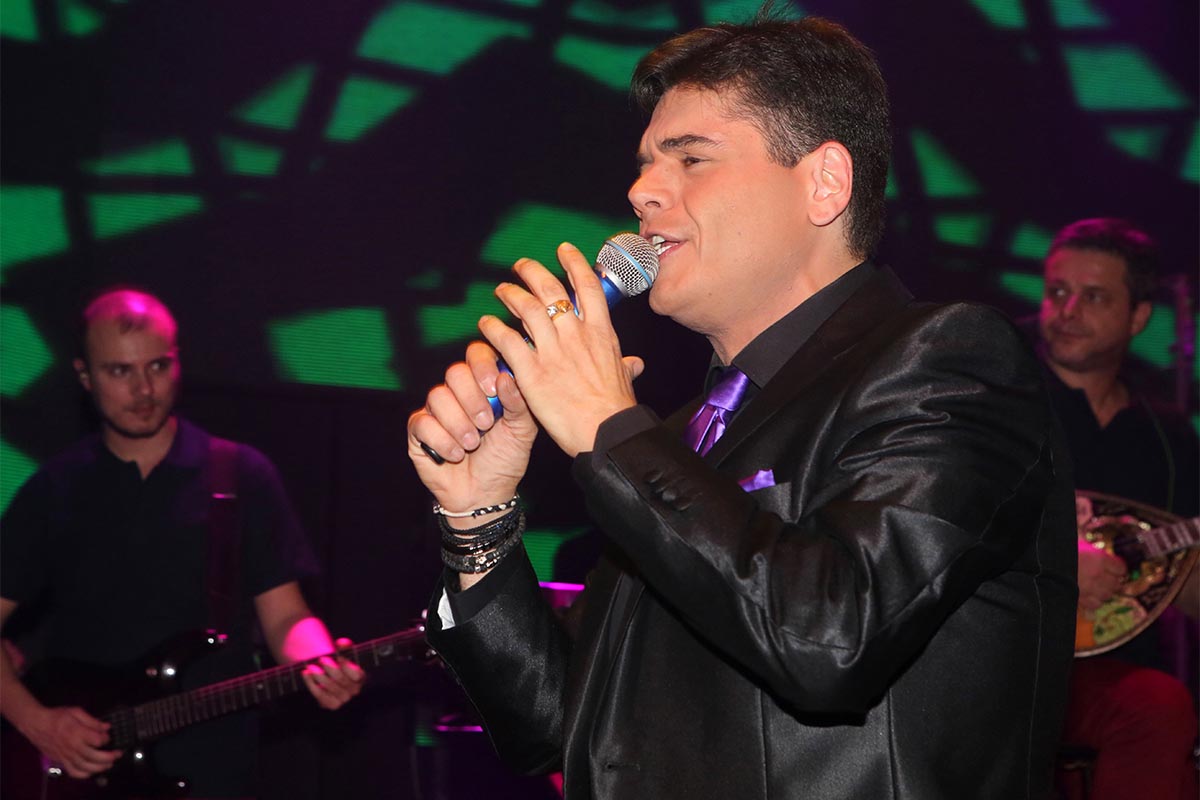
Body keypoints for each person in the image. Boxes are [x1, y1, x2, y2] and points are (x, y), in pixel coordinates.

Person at [408, 11, 1077, 799]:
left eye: (691, 158)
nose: (641, 191)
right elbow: (555, 727)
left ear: (824, 184)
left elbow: (832, 639)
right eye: (645, 165)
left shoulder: (951, 361)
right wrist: (479, 521)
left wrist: (604, 427)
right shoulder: (677, 439)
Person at [0, 289, 364, 797]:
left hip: (216, 771)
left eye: (158, 366)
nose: (144, 389)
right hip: (87, 775)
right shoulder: (53, 489)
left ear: (178, 363)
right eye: (120, 371)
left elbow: (286, 618)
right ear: (84, 377)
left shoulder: (242, 475)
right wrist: (38, 723)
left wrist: (320, 662)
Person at [1037, 217, 1199, 800]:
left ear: (1139, 318)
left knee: (1159, 713)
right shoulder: (999, 400)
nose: (1068, 310)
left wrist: (1170, 572)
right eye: (1058, 291)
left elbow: (1188, 576)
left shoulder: (1166, 433)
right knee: (1157, 708)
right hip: (1005, 657)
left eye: (1095, 296)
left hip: (1113, 669)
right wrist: (1059, 561)